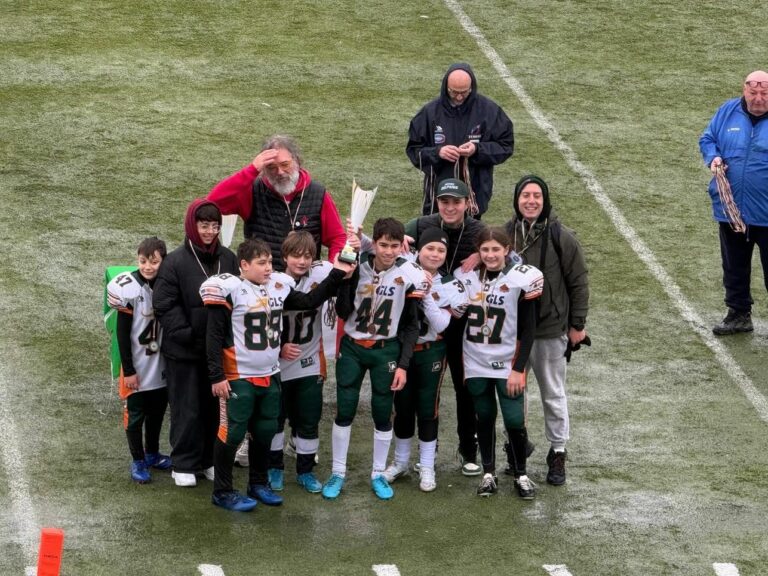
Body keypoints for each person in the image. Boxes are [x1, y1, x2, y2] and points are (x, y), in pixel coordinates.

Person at [200, 238, 353, 512]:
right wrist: (216, 376)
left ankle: (258, 483)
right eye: (261, 263)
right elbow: (213, 336)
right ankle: (222, 491)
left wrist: (338, 273)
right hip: (238, 375)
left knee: (264, 430)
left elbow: (308, 301)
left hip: (271, 374)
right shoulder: (229, 289)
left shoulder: (278, 285)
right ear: (244, 265)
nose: (269, 268)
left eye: (270, 261)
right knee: (232, 433)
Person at [321, 218, 426, 501]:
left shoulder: (409, 274)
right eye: (383, 245)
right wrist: (346, 279)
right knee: (345, 409)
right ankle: (338, 472)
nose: (389, 251)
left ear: (401, 246)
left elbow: (412, 325)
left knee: (382, 411)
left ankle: (378, 473)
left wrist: (403, 365)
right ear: (374, 244)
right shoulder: (358, 265)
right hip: (353, 346)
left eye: (394, 245)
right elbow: (342, 311)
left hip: (386, 349)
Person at [505, 175, 590, 486]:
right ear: (516, 200)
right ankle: (517, 447)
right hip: (513, 332)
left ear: (545, 200)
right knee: (514, 394)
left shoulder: (561, 236)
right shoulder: (505, 234)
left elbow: (578, 282)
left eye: (536, 196)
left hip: (549, 330)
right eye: (525, 195)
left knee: (553, 394)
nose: (531, 201)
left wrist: (577, 325)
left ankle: (558, 452)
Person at [153, 199, 239, 487]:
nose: (210, 232)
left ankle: (209, 459)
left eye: (215, 226)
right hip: (184, 352)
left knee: (215, 408)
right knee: (187, 408)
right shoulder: (175, 262)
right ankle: (184, 463)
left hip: (217, 351)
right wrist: (190, 334)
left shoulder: (228, 259)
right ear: (193, 225)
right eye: (204, 226)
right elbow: (164, 305)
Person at [403, 178, 486, 477]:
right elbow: (392, 240)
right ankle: (430, 449)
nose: (450, 207)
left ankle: (468, 450)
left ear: (468, 204)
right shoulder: (420, 224)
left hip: (464, 324)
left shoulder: (479, 230)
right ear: (437, 202)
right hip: (430, 325)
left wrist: (482, 253)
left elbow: (504, 247)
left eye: (456, 202)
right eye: (444, 201)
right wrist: (401, 238)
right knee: (428, 391)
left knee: (465, 387)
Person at [454, 228, 543, 499]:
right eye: (485, 249)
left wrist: (518, 368)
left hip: (507, 362)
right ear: (478, 251)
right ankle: (488, 473)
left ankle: (521, 474)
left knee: (514, 419)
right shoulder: (466, 277)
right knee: (484, 417)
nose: (490, 255)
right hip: (475, 360)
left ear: (507, 250)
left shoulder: (521, 279)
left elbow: (529, 329)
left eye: (495, 249)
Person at [381, 228, 469, 492]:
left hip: (431, 349)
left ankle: (427, 466)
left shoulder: (452, 285)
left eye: (441, 250)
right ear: (418, 250)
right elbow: (373, 248)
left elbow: (442, 325)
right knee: (403, 406)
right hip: (401, 349)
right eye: (430, 248)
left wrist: (426, 293)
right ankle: (400, 462)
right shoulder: (403, 266)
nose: (435, 254)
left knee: (428, 408)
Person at [207, 134, 346, 271]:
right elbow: (211, 204)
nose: (279, 172)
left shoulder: (318, 194)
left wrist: (333, 272)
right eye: (271, 167)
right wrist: (251, 170)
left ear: (297, 161)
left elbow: (337, 238)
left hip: (305, 281)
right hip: (262, 280)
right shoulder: (253, 191)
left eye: (285, 164)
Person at [267, 231, 337, 494]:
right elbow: (260, 322)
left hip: (309, 361)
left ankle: (305, 471)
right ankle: (274, 467)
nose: (302, 261)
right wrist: (279, 345)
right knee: (275, 418)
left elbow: (347, 270)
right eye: (296, 255)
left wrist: (354, 246)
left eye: (307, 256)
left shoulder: (320, 273)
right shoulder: (272, 281)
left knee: (309, 419)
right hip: (277, 363)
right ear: (284, 256)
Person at [700, 70, 768, 335]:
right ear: (744, 90)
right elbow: (708, 138)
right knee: (734, 266)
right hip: (731, 211)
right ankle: (738, 314)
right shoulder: (727, 111)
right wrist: (713, 157)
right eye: (753, 93)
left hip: (766, 213)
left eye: (764, 94)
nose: (758, 99)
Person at [406, 63, 514, 217]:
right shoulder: (429, 113)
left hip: (474, 194)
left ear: (472, 87)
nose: (458, 97)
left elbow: (506, 146)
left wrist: (477, 150)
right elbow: (414, 150)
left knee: (470, 231)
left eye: (463, 92)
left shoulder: (490, 111)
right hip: (437, 195)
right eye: (454, 92)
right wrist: (438, 152)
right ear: (446, 87)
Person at [106, 237, 171, 484]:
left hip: (159, 363)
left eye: (154, 262)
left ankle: (152, 453)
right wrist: (129, 369)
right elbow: (123, 334)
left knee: (157, 412)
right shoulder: (130, 289)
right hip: (137, 364)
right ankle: (138, 459)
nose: (147, 267)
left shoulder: (168, 285)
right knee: (135, 415)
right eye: (143, 261)